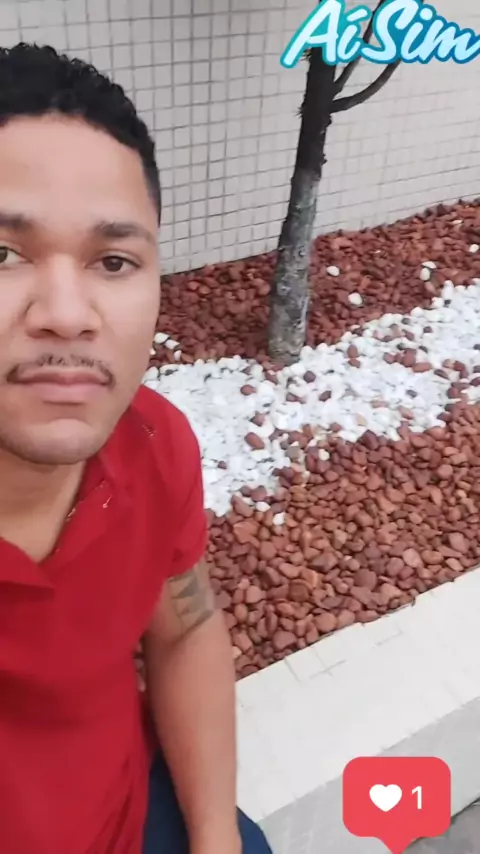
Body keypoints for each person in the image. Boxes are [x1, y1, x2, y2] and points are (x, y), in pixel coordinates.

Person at [0, 43, 272, 854]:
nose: (66, 314)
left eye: (113, 261)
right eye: (3, 254)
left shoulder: (152, 444)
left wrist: (216, 838)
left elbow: (184, 627)